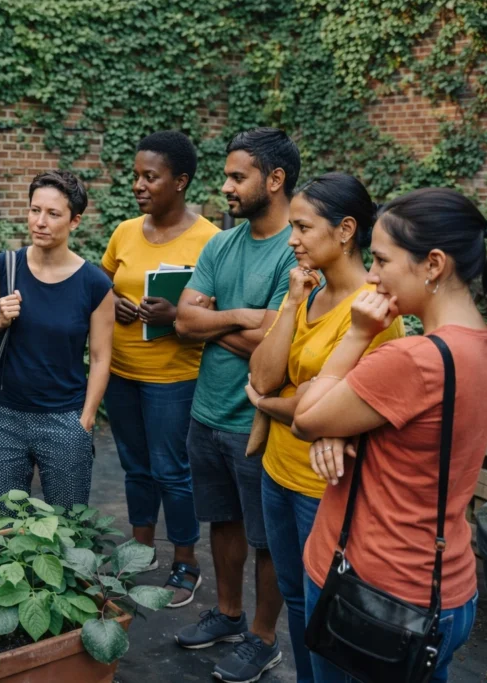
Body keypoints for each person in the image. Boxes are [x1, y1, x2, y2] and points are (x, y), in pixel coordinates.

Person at [293, 187, 487, 683]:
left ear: (434, 264)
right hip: (444, 591)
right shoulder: (486, 347)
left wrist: (357, 335)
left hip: (372, 591)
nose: (371, 275)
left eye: (382, 260)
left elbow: (306, 416)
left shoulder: (413, 359)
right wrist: (341, 431)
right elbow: (409, 437)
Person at [244, 173, 404, 682]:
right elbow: (262, 376)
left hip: (324, 488)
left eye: (303, 227)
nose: (291, 239)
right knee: (294, 596)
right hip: (278, 471)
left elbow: (325, 411)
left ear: (345, 230)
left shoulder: (375, 312)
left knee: (325, 607)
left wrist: (269, 405)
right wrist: (292, 303)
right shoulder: (307, 292)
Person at [173, 127, 300, 682]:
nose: (225, 186)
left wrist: (212, 320)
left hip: (260, 420)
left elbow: (278, 344)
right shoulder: (220, 244)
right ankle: (227, 615)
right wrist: (244, 318)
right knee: (222, 521)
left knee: (267, 537)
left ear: (275, 180)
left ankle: (264, 639)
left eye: (236, 176)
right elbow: (182, 321)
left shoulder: (298, 248)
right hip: (207, 412)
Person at [102, 130, 219, 607]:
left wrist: (177, 317)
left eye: (150, 177)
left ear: (180, 181)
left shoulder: (211, 240)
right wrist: (115, 301)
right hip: (121, 372)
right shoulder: (125, 232)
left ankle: (186, 563)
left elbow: (220, 313)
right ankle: (141, 551)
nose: (138, 185)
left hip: (175, 377)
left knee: (172, 471)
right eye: (136, 176)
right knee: (135, 467)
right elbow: (102, 284)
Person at [0, 171, 113, 509]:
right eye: (35, 210)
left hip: (65, 418)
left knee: (68, 520)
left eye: (53, 213)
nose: (40, 222)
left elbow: (101, 357)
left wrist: (86, 419)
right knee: (4, 519)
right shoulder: (3, 267)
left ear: (74, 221)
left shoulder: (94, 284)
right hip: (2, 417)